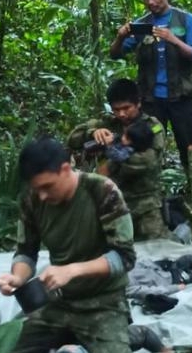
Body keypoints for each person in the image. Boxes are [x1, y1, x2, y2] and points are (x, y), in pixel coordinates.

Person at [0, 137, 136, 353]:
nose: (42, 195)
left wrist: (71, 270)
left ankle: (134, 336)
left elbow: (124, 257)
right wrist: (17, 278)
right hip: (58, 302)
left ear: (66, 169)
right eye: (36, 189)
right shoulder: (33, 199)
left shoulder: (101, 191)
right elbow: (26, 251)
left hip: (104, 303)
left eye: (47, 187)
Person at [109, 0, 192, 199]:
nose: (151, 1)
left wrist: (173, 39)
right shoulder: (142, 24)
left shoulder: (184, 20)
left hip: (181, 98)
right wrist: (120, 37)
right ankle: (150, 195)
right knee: (147, 147)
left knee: (188, 146)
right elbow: (116, 54)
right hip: (151, 101)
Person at [66, 79, 169, 240]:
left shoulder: (152, 126)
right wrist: (93, 133)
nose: (121, 114)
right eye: (116, 109)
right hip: (110, 203)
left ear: (138, 103)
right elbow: (73, 139)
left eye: (126, 108)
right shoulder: (107, 122)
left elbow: (148, 161)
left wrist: (112, 156)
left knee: (158, 252)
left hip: (144, 204)